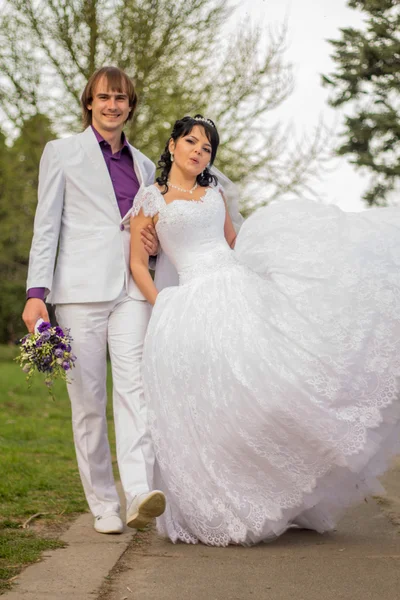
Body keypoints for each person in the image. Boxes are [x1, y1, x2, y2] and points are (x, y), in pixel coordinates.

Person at [129, 114, 400, 546]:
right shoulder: (150, 199)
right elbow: (137, 264)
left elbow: (233, 244)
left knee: (268, 383)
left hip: (236, 288)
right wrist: (163, 304)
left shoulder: (213, 192)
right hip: (190, 301)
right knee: (214, 401)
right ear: (172, 144)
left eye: (207, 147)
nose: (199, 151)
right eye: (191, 142)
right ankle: (226, 496)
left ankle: (281, 486)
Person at [22, 66, 166, 534]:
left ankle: (140, 492)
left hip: (130, 291)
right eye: (104, 97)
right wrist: (35, 294)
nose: (112, 105)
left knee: (135, 390)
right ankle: (104, 503)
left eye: (121, 98)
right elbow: (47, 226)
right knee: (88, 401)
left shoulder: (145, 165)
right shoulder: (61, 152)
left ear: (131, 105)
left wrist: (154, 246)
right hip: (79, 292)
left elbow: (146, 231)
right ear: (90, 102)